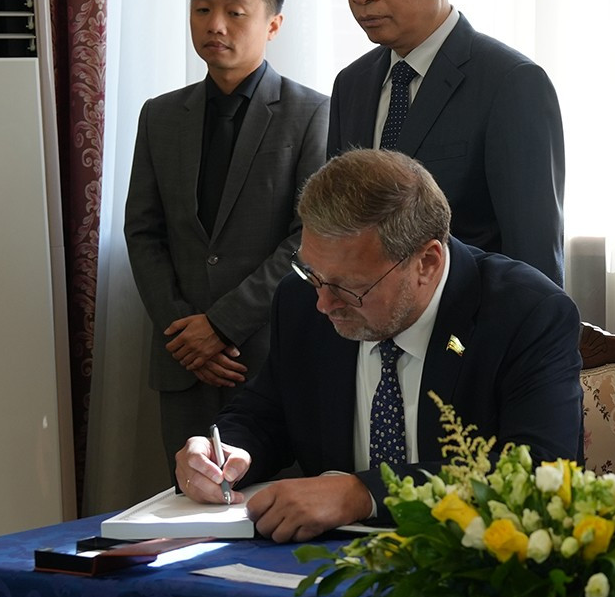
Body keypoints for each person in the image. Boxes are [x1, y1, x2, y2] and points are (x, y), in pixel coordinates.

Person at [174, 149, 583, 542]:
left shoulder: (526, 315)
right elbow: (267, 413)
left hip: (468, 568)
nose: (324, 303)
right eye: (313, 275)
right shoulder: (301, 300)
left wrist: (364, 494)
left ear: (427, 263)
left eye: (350, 287)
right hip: (324, 564)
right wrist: (223, 449)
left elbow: (538, 473)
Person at [125, 0, 328, 478]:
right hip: (184, 360)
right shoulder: (161, 114)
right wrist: (184, 333)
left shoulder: (312, 113)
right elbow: (143, 232)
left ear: (273, 24)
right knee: (187, 503)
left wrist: (222, 325)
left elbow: (309, 237)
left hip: (266, 351)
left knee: (273, 513)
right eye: (202, 9)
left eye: (235, 11)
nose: (215, 25)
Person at [323, 0, 567, 286]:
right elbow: (339, 228)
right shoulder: (351, 84)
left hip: (467, 336)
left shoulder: (511, 84)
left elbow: (534, 259)